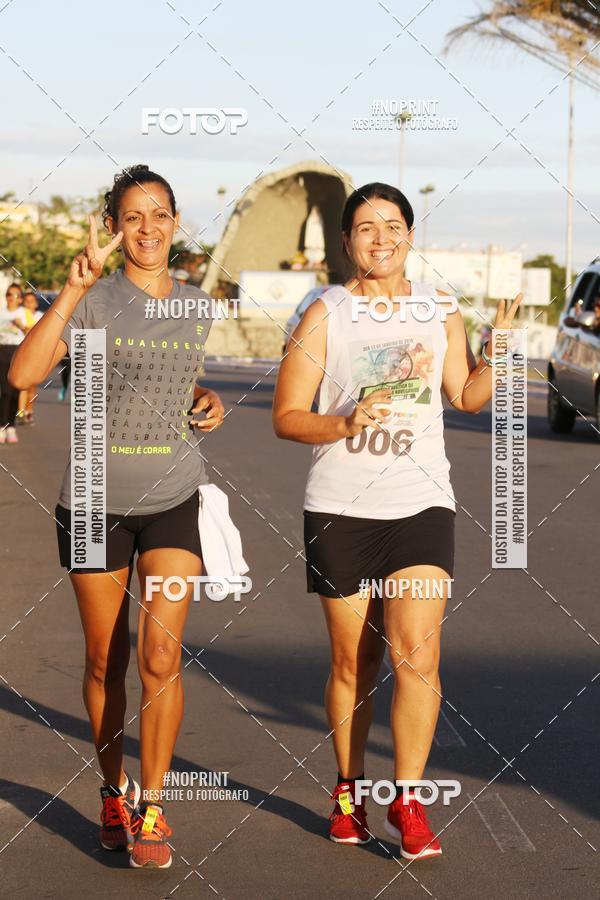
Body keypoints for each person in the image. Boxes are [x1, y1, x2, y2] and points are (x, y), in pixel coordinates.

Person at [273, 182, 522, 860]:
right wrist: (343, 422)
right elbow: (287, 416)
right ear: (347, 241)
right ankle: (348, 791)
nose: (380, 238)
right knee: (355, 661)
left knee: (418, 654)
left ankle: (407, 801)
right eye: (365, 227)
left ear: (410, 235)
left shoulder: (439, 307)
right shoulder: (325, 312)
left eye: (392, 226)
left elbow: (466, 396)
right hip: (341, 507)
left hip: (420, 503)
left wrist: (499, 354)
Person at [10, 164, 225, 869]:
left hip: (173, 498)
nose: (148, 229)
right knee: (107, 659)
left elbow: (169, 376)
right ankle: (112, 789)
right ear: (112, 226)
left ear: (176, 222)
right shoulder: (93, 301)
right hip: (93, 502)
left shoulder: (197, 306)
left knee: (162, 655)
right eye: (132, 217)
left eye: (160, 214)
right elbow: (23, 376)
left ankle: (153, 806)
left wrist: (206, 398)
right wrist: (72, 291)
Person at [0, 282, 27, 444]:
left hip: (18, 352)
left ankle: (11, 426)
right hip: (2, 350)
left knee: (15, 391)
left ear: (20, 299)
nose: (12, 297)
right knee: (5, 391)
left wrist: (21, 326)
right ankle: (2, 425)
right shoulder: (1, 312)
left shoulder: (24, 313)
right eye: (9, 294)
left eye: (15, 295)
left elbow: (33, 332)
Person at [17, 291, 43, 424]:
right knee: (21, 384)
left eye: (31, 301)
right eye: (26, 301)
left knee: (32, 386)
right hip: (20, 353)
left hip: (36, 354)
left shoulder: (40, 316)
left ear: (36, 304)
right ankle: (20, 411)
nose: (28, 304)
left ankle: (29, 410)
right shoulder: (19, 315)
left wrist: (25, 328)